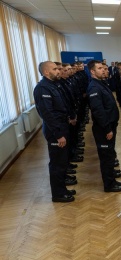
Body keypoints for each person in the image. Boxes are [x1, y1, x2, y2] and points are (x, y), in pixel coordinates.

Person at [33, 61, 76, 202]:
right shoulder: (42, 88)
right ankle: (58, 194)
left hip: (62, 126)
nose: (58, 71)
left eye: (58, 68)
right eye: (55, 69)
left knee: (62, 161)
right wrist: (58, 134)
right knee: (57, 163)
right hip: (55, 131)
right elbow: (47, 114)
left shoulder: (53, 85)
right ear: (46, 72)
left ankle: (62, 189)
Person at [87, 60, 121, 192]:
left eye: (104, 68)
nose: (103, 70)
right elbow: (98, 111)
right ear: (92, 71)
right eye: (99, 68)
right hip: (103, 128)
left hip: (109, 125)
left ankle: (111, 178)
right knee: (106, 157)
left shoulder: (101, 84)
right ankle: (109, 184)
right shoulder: (94, 87)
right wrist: (107, 128)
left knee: (109, 154)